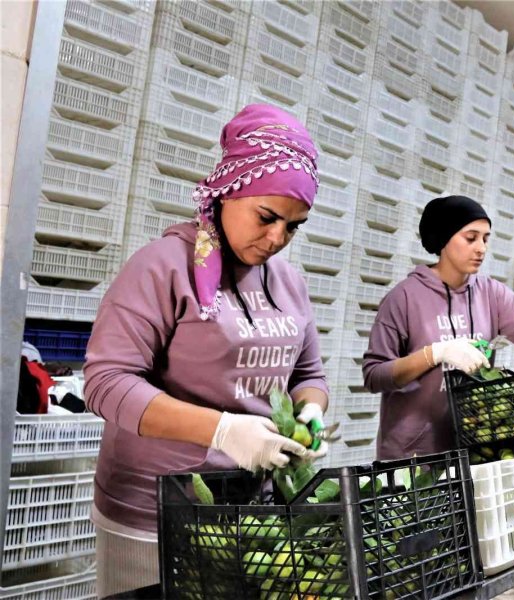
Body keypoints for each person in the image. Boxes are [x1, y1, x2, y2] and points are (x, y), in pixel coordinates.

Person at [83, 104, 331, 598]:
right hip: (153, 510)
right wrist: (221, 430)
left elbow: (309, 374)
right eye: (267, 217)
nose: (277, 238)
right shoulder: (163, 266)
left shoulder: (288, 283)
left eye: (293, 226)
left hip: (249, 509)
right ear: (228, 191)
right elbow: (107, 384)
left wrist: (310, 411)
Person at [362, 195, 514, 460]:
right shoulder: (404, 298)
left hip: (471, 451)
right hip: (412, 455)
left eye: (485, 239)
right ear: (443, 239)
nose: (481, 248)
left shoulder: (490, 294)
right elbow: (375, 375)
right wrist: (434, 354)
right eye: (471, 238)